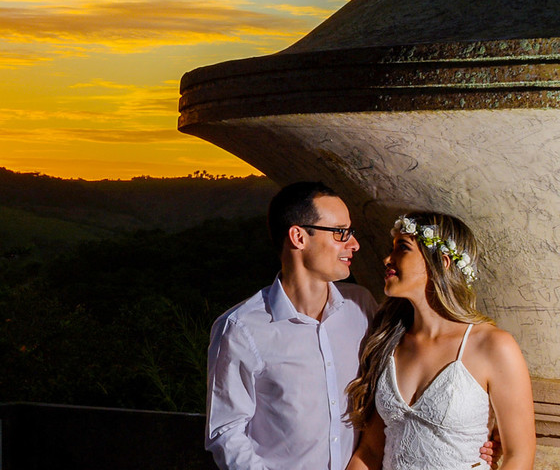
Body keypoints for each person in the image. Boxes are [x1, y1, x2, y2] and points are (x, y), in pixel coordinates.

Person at [206, 181, 376, 469]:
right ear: (298, 237)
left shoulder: (361, 306)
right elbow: (227, 432)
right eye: (340, 232)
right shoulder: (240, 328)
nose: (353, 244)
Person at [344, 211, 534, 470]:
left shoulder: (493, 346)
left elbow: (519, 456)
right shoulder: (389, 342)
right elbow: (370, 451)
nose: (388, 259)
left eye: (403, 247)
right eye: (392, 248)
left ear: (442, 262)